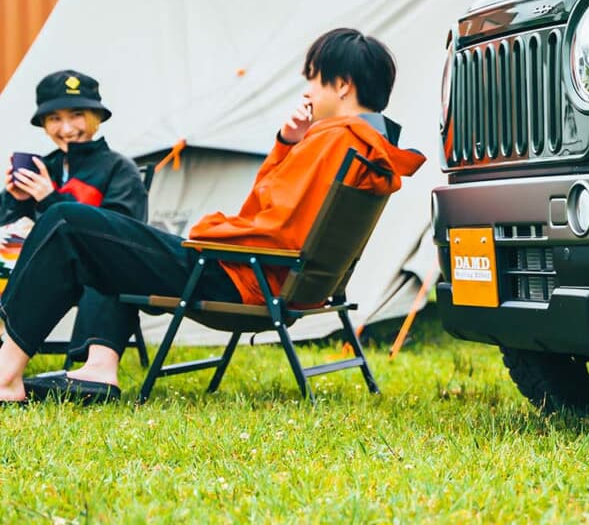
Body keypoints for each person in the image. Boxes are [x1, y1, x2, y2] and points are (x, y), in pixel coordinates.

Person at [0, 28, 425, 403]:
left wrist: (208, 230)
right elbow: (278, 213)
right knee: (98, 235)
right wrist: (286, 143)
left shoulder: (331, 141)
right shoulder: (367, 145)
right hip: (271, 278)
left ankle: (6, 377)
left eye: (313, 78)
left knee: (67, 222)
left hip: (238, 277)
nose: (309, 90)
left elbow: (267, 226)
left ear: (343, 84)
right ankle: (96, 368)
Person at [1, 71, 147, 398]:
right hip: (31, 273)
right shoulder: (42, 167)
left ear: (96, 117)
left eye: (77, 115)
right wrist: (16, 200)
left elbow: (122, 236)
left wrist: (50, 198)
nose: (66, 128)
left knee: (102, 263)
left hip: (99, 274)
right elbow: (8, 231)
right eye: (55, 118)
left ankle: (96, 369)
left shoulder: (118, 169)